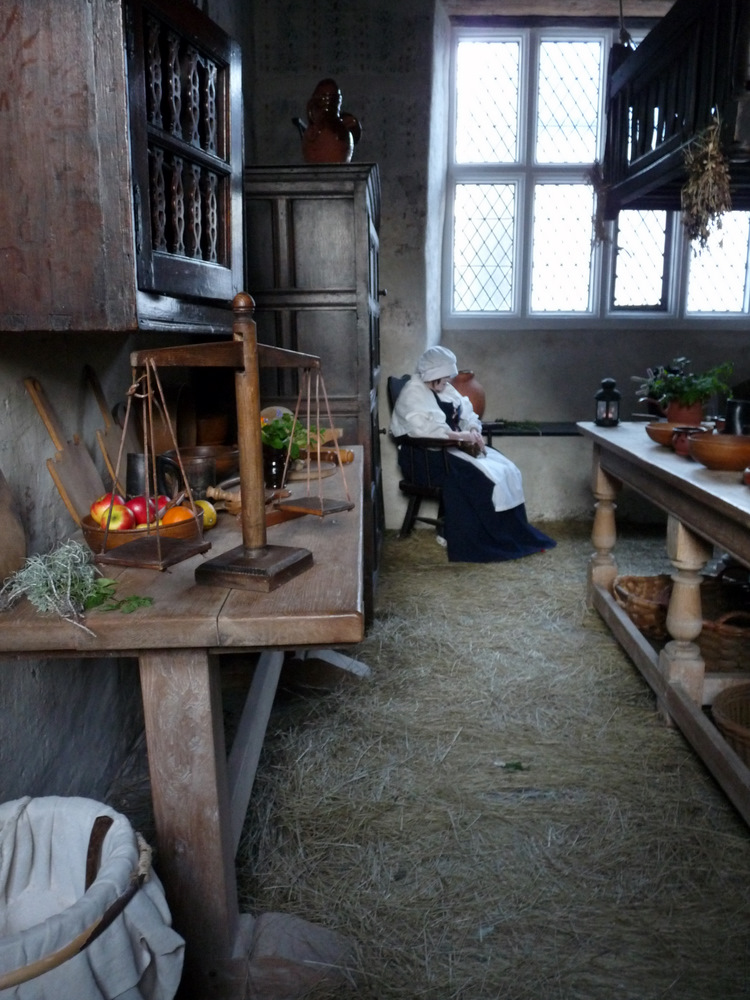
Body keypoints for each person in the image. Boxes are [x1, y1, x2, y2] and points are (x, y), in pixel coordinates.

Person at [390, 346, 555, 562]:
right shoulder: (413, 393)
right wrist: (462, 437)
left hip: (449, 450)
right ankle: (485, 541)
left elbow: (467, 414)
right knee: (480, 478)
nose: (447, 383)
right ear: (432, 374)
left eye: (447, 379)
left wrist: (474, 430)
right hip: (426, 458)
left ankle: (512, 536)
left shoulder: (446, 389)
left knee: (506, 469)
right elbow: (422, 430)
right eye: (443, 379)